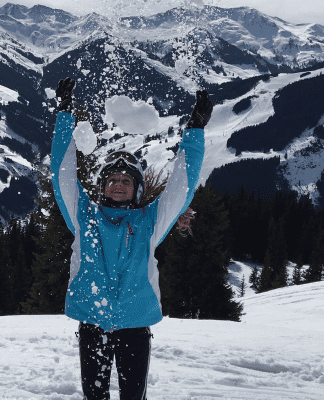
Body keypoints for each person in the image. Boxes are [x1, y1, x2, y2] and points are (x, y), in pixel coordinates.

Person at [51, 78, 213, 400]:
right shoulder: (84, 215)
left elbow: (181, 186)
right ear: (103, 186)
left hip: (136, 324)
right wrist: (64, 114)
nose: (119, 184)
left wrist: (194, 131)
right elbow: (62, 173)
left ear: (137, 189)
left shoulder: (150, 220)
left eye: (127, 179)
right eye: (112, 179)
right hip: (92, 322)